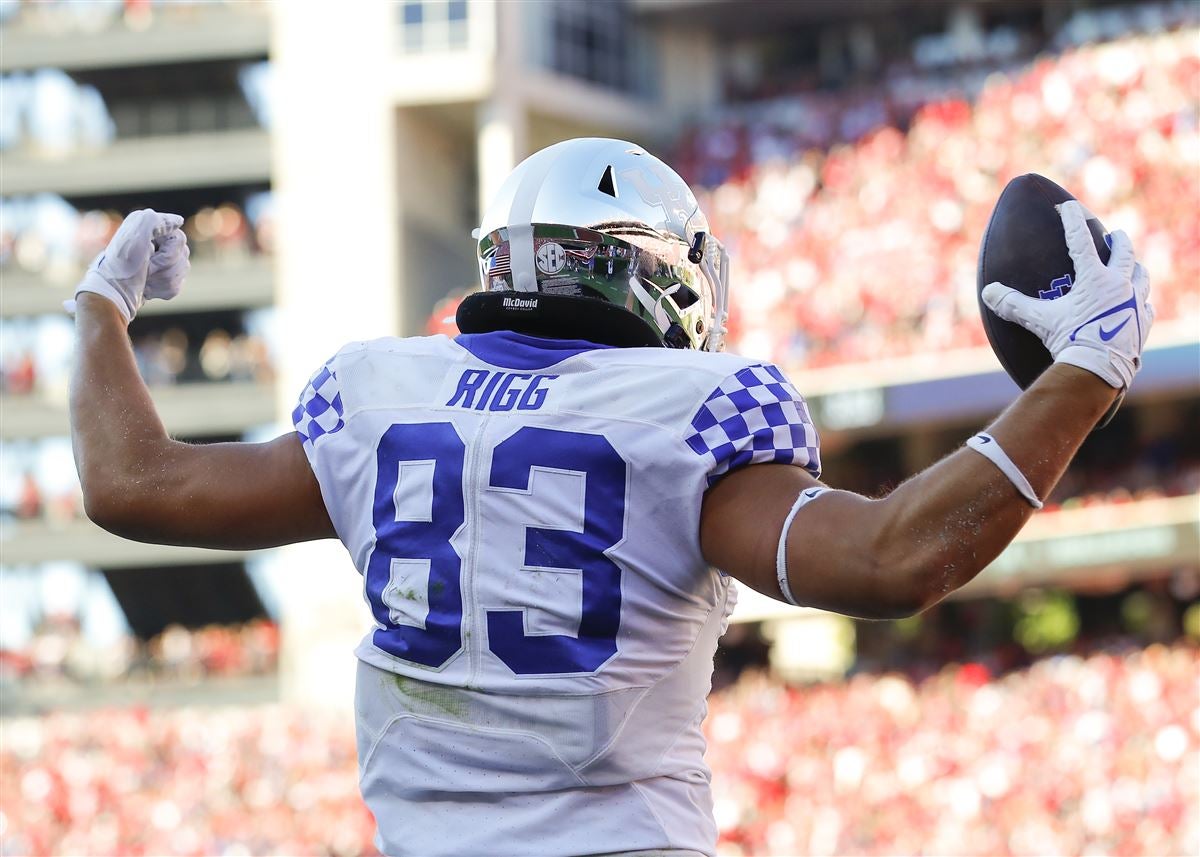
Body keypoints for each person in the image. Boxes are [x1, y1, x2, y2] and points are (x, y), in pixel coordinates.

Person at [69, 138, 1152, 857]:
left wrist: (100, 309)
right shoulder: (695, 403)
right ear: (659, 269)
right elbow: (889, 560)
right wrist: (1087, 372)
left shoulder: (378, 392)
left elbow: (133, 483)